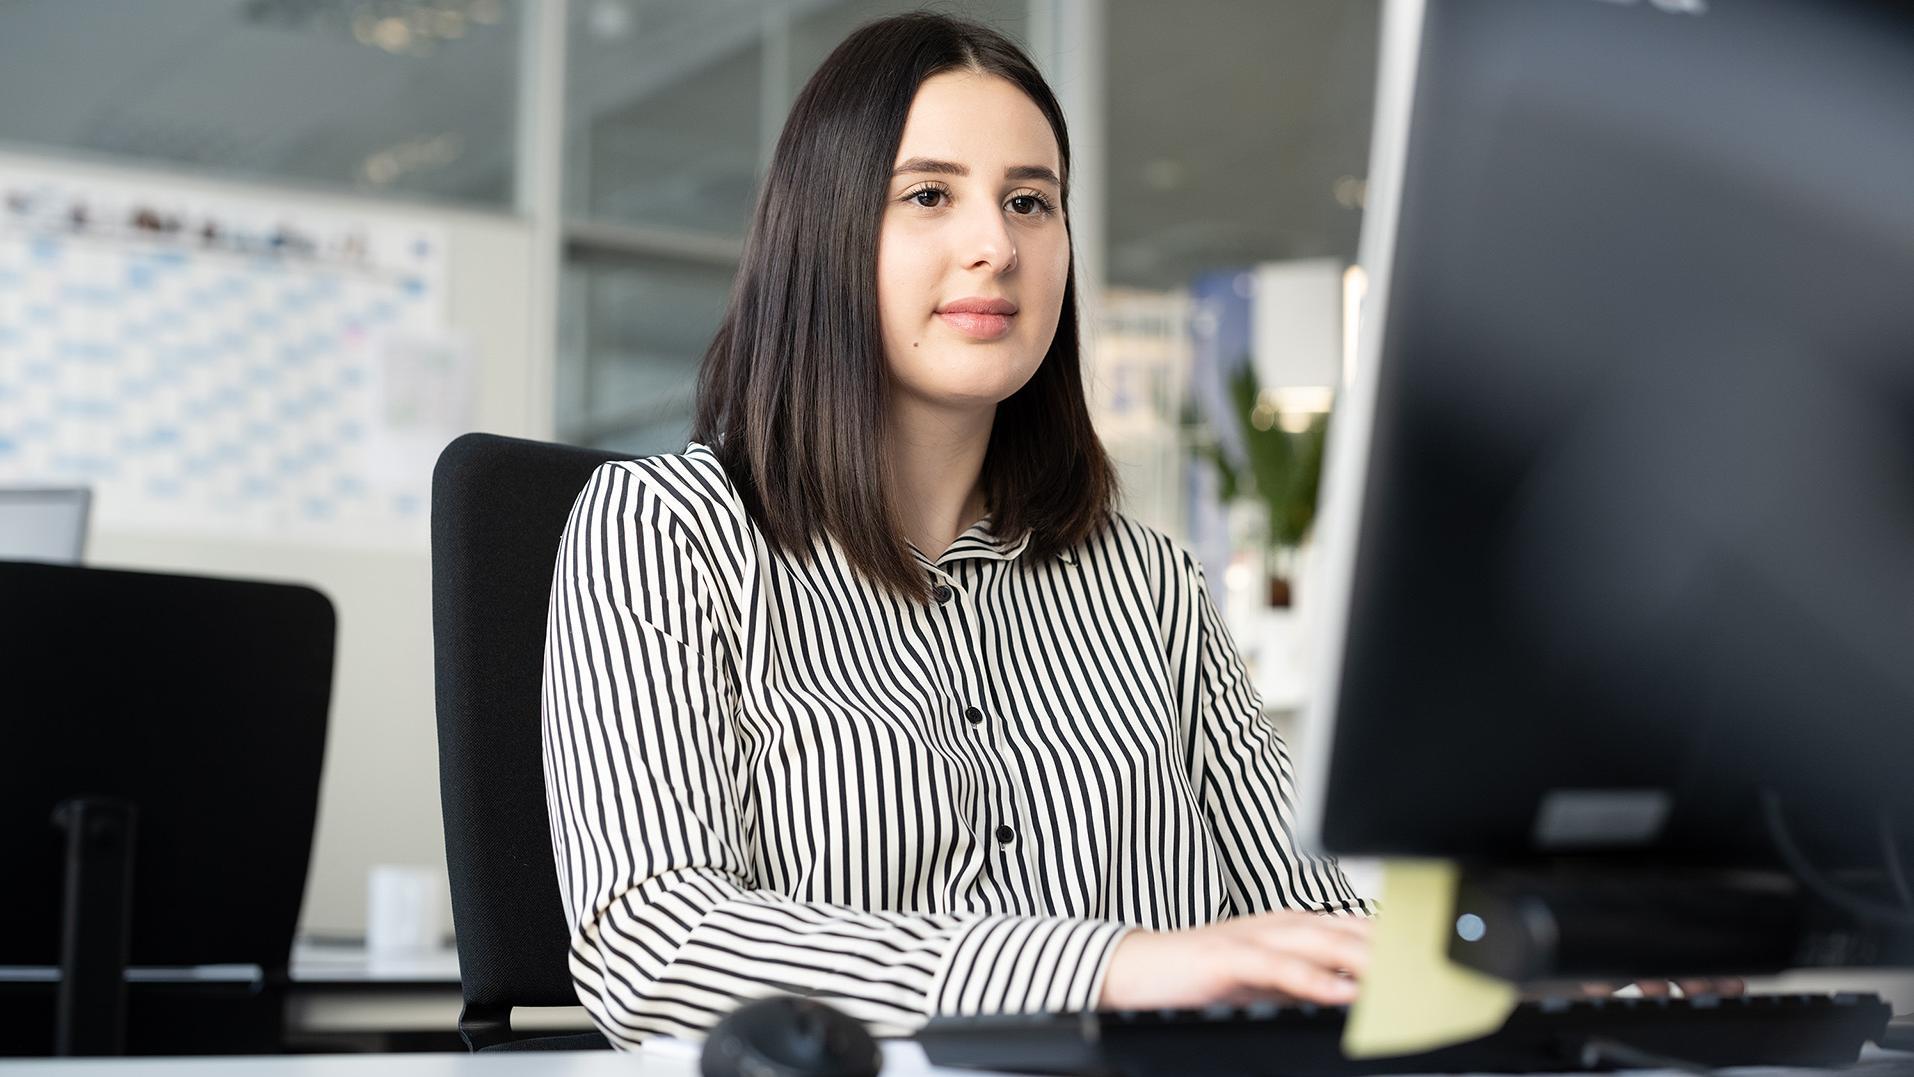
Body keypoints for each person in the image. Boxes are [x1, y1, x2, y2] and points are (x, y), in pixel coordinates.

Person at [540, 12, 1370, 1050]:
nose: (997, 245)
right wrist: (1104, 967)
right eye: (929, 195)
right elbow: (654, 947)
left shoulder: (1152, 585)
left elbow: (1311, 912)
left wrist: (1542, 976)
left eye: (1032, 202)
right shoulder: (667, 535)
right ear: (826, 234)